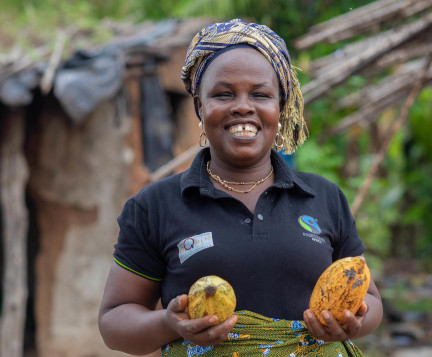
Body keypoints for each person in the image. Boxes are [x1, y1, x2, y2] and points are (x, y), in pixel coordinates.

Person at [98, 18, 383, 357]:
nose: (243, 106)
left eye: (260, 94)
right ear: (199, 107)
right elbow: (114, 320)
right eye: (223, 94)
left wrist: (354, 322)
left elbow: (371, 300)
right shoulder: (155, 206)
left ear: (280, 107)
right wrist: (169, 324)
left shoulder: (323, 197)